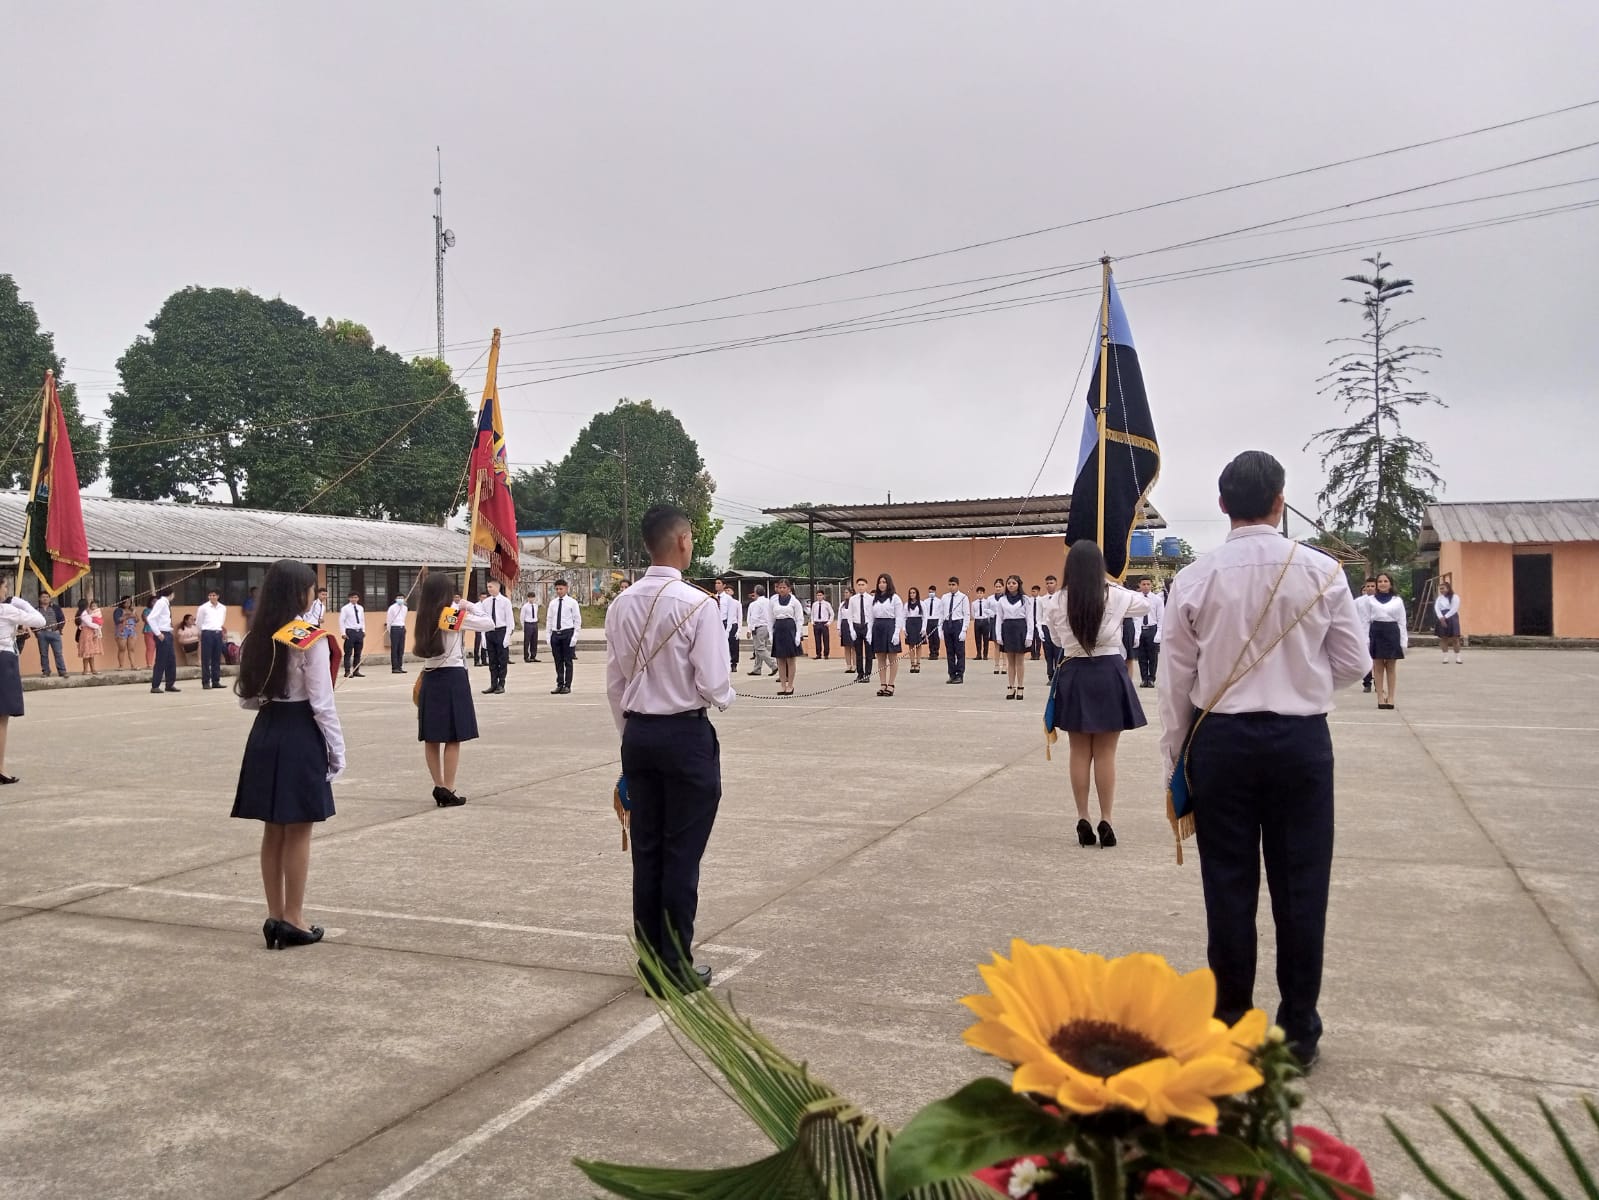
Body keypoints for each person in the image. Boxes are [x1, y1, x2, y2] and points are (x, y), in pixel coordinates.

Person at [1158, 450, 1369, 1070]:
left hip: (1220, 741)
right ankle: (1298, 1030)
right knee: (1302, 886)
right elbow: (1354, 663)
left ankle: (1230, 1025)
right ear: (1281, 501)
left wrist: (1176, 758)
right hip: (1301, 744)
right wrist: (1301, 680)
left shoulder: (1194, 578)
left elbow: (1175, 681)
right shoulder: (1323, 571)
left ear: (1223, 504)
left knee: (1227, 885)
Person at [605, 505, 735, 988]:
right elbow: (714, 684)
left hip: (639, 735)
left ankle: (651, 963)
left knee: (648, 852)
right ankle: (676, 965)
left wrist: (631, 736)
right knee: (681, 854)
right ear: (682, 541)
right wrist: (726, 696)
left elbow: (615, 684)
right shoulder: (698, 604)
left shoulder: (620, 604)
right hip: (684, 736)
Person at [231, 558, 345, 950]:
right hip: (299, 731)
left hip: (266, 729)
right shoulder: (307, 637)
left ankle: (275, 914)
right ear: (301, 594)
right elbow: (322, 702)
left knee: (273, 829)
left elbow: (247, 699)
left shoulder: (256, 635)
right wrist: (337, 749)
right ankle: (294, 918)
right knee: (298, 829)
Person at [1047, 541, 1151, 848]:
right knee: (1106, 753)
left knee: (1079, 751)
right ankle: (1106, 818)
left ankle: (1083, 816)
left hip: (1075, 671)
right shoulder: (1115, 595)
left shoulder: (1055, 600)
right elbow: (1146, 604)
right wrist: (1111, 582)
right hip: (1108, 670)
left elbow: (1056, 640)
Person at [414, 571, 492, 805]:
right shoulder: (449, 615)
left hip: (430, 677)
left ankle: (438, 785)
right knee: (453, 736)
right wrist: (471, 606)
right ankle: (448, 787)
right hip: (451, 676)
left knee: (431, 737)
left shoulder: (424, 615)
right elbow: (488, 623)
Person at [0, 582, 46, 783]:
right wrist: (20, 603)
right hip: (3, 659)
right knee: (2, 718)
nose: (6, 591)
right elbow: (40, 620)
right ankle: (0, 768)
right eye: (4, 587)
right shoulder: (7, 609)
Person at [1368, 572, 1407, 710]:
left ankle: (1390, 697)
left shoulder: (1397, 600)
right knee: (1378, 666)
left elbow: (1402, 621)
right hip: (1376, 631)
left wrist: (1403, 642)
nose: (1382, 584)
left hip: (1392, 631)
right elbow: (1365, 620)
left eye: (1385, 581)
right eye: (1380, 581)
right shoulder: (1370, 600)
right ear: (1376, 584)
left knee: (1391, 667)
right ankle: (1380, 697)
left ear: (1390, 584)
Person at [993, 574, 1035, 700]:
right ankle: (1011, 687)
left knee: (1019, 661)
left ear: (1018, 585)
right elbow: (999, 619)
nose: (1011, 585)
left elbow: (1030, 618)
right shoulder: (1002, 600)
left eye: (1013, 583)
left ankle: (1020, 687)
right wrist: (998, 635)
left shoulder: (1025, 599)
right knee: (1010, 661)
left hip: (1020, 629)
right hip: (1007, 629)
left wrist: (1030, 635)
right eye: (1009, 583)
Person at [869, 573, 905, 697]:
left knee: (892, 657)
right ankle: (883, 684)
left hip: (890, 626)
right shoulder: (874, 599)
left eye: (884, 582)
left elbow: (899, 616)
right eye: (880, 582)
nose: (881, 584)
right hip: (878, 627)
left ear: (888, 583)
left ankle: (891, 684)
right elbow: (871, 617)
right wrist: (869, 632)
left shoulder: (895, 598)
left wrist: (896, 632)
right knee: (880, 657)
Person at [768, 578, 806, 696]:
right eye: (780, 587)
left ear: (789, 589)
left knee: (790, 659)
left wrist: (798, 634)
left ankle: (790, 685)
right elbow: (770, 618)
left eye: (784, 587)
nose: (782, 590)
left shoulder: (794, 601)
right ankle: (783, 685)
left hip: (790, 628)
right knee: (780, 660)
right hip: (778, 628)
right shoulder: (773, 600)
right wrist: (770, 633)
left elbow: (799, 619)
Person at [546, 578, 582, 694]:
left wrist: (575, 636)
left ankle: (567, 685)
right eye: (557, 589)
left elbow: (577, 620)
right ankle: (560, 684)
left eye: (561, 589)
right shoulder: (553, 603)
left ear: (566, 589)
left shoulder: (572, 602)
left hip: (567, 633)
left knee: (568, 661)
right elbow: (549, 619)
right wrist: (548, 635)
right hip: (555, 634)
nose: (559, 591)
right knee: (558, 661)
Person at [480, 579, 513, 695]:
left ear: (497, 587)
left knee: (502, 660)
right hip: (490, 631)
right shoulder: (486, 602)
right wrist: (483, 636)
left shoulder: (505, 601)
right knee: (492, 660)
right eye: (488, 587)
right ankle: (493, 684)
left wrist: (507, 636)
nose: (489, 589)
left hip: (501, 631)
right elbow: (483, 619)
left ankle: (501, 684)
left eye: (491, 587)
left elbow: (509, 620)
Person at [1135, 576, 1165, 688]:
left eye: (1148, 584)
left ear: (1151, 585)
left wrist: (1159, 632)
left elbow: (1161, 617)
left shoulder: (1157, 599)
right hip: (1140, 629)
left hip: (1152, 629)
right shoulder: (1136, 598)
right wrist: (1136, 633)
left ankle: (1151, 678)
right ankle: (1144, 679)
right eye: (1143, 584)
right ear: (1139, 585)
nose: (1146, 586)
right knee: (1141, 656)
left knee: (1153, 657)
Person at [148, 587, 178, 693]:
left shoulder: (166, 603)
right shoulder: (161, 603)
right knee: (161, 660)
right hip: (162, 633)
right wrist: (158, 633)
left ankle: (170, 684)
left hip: (168, 632)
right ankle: (155, 685)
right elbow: (151, 618)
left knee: (171, 659)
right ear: (171, 594)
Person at [196, 588, 228, 690]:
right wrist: (201, 631)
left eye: (214, 595)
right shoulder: (203, 607)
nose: (212, 597)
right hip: (207, 632)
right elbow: (199, 621)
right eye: (210, 595)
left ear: (218, 596)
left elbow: (222, 620)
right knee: (206, 658)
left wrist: (219, 629)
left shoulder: (222, 608)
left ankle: (216, 681)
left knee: (216, 658)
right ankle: (206, 682)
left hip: (217, 632)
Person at [942, 575, 970, 684]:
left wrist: (964, 630)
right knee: (950, 652)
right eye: (949, 585)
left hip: (958, 624)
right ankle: (952, 674)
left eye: (953, 585)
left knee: (959, 651)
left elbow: (966, 614)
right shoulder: (945, 597)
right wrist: (940, 628)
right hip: (947, 624)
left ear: (958, 585)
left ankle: (959, 674)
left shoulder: (963, 597)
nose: (951, 587)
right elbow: (941, 612)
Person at [846, 577, 874, 683]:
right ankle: (860, 674)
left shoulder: (871, 599)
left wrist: (870, 630)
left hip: (867, 626)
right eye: (859, 585)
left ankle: (867, 674)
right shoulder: (853, 599)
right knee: (858, 653)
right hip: (856, 625)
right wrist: (851, 629)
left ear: (866, 586)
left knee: (869, 653)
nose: (861, 587)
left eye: (863, 585)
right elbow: (849, 615)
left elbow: (872, 615)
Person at [745, 585, 776, 677]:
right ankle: (757, 668)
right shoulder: (769, 602)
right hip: (768, 626)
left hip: (759, 626)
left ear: (756, 592)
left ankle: (773, 665)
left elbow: (754, 617)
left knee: (759, 648)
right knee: (761, 647)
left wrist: (750, 629)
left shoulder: (755, 604)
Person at [1354, 578, 1377, 693]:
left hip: (1378, 632)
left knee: (1378, 659)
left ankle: (1378, 682)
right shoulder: (1358, 602)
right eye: (1368, 586)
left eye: (1372, 586)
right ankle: (1367, 683)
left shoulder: (1381, 600)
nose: (1370, 588)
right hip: (1363, 633)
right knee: (1366, 659)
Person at [712, 579, 741, 669]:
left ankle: (733, 663)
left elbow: (731, 614)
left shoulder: (728, 599)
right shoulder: (713, 597)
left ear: (723, 585)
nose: (716, 585)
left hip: (726, 623)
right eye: (716, 583)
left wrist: (728, 629)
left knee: (732, 645)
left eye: (719, 583)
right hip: (716, 623)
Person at [1040, 574, 1063, 683]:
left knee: (1058, 652)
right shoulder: (1041, 600)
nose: (1049, 585)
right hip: (1045, 628)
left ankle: (1058, 676)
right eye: (1047, 583)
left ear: (1056, 584)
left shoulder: (1061, 598)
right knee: (1048, 654)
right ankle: (1050, 674)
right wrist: (1040, 630)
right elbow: (1038, 617)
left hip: (1057, 627)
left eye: (1051, 583)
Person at [36, 595, 67, 677]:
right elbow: (32, 621)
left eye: (47, 597)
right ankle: (46, 671)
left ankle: (62, 671)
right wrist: (37, 632)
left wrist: (59, 630)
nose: (45, 598)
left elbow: (62, 619)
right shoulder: (37, 609)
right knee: (43, 654)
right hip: (42, 634)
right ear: (39, 598)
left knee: (58, 653)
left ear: (49, 599)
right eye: (43, 597)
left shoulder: (56, 608)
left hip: (54, 633)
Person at [1435, 580, 1463, 663]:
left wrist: (1446, 617)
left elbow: (1454, 608)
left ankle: (1458, 657)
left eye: (1443, 588)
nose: (1441, 590)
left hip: (1452, 617)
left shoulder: (1455, 597)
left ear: (1448, 588)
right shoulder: (1439, 598)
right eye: (1440, 589)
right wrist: (1440, 617)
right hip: (1441, 617)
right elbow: (1436, 608)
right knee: (1443, 638)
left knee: (1455, 638)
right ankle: (1445, 657)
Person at [339, 592, 366, 679]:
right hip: (350, 631)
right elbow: (341, 621)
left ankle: (356, 670)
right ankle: (347, 671)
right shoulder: (345, 608)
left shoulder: (360, 608)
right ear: (349, 598)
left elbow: (362, 620)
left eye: (356, 597)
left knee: (358, 653)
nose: (354, 599)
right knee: (348, 653)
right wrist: (343, 633)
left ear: (358, 598)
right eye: (352, 597)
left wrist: (363, 630)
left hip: (359, 631)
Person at [76, 597, 104, 676]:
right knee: (87, 652)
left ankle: (93, 669)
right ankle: (85, 670)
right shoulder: (83, 613)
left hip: (91, 632)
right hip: (86, 633)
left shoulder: (88, 612)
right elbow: (89, 623)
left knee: (91, 652)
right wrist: (97, 626)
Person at [903, 586, 926, 673]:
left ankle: (918, 663)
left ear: (917, 594)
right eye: (910, 593)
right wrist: (904, 628)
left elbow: (925, 617)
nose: (912, 594)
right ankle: (912, 663)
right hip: (910, 624)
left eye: (913, 593)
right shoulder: (906, 605)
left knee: (919, 645)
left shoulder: (922, 604)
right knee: (911, 645)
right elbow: (903, 617)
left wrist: (924, 628)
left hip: (918, 623)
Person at [113, 595, 139, 669]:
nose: (128, 603)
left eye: (129, 602)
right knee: (122, 648)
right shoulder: (118, 610)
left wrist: (134, 614)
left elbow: (137, 620)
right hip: (122, 630)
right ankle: (121, 665)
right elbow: (117, 620)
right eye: (126, 602)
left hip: (132, 630)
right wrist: (129, 616)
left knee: (131, 648)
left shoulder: (132, 610)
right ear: (122, 602)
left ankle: (133, 665)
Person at [387, 594, 409, 673]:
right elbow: (389, 620)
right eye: (399, 598)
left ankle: (400, 666)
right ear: (396, 599)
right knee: (395, 649)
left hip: (402, 628)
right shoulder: (392, 608)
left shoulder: (405, 608)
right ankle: (394, 667)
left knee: (401, 649)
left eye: (402, 598)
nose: (400, 599)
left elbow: (403, 618)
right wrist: (390, 630)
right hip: (394, 628)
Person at [809, 588, 833, 660]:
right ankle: (818, 654)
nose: (819, 597)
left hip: (824, 623)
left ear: (823, 596)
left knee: (826, 639)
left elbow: (832, 614)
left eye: (820, 595)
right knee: (817, 640)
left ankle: (826, 654)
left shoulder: (827, 604)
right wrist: (813, 622)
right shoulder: (814, 604)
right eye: (818, 595)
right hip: (817, 623)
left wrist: (829, 622)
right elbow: (812, 614)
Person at [973, 585, 993, 662]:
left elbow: (989, 612)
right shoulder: (974, 603)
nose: (979, 595)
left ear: (984, 594)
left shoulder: (987, 602)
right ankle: (978, 654)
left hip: (985, 621)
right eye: (978, 593)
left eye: (981, 593)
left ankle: (985, 655)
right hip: (977, 620)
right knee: (977, 638)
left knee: (986, 639)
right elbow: (973, 612)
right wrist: (977, 618)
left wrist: (987, 619)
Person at [520, 592, 540, 664]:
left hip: (534, 623)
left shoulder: (536, 606)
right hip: (528, 624)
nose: (531, 599)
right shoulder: (525, 607)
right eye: (530, 598)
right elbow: (522, 617)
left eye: (532, 597)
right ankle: (526, 657)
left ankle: (533, 656)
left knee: (534, 641)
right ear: (528, 598)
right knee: (527, 641)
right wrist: (523, 626)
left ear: (534, 598)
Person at [925, 583, 942, 661]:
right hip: (928, 620)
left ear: (935, 592)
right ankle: (931, 653)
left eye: (932, 592)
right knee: (930, 637)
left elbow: (941, 612)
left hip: (936, 619)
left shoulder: (939, 601)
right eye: (929, 592)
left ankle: (936, 652)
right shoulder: (925, 601)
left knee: (936, 637)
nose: (931, 593)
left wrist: (940, 622)